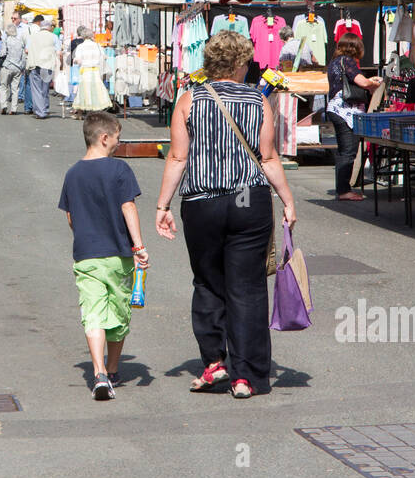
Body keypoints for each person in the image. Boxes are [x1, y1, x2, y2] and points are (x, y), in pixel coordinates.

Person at [154, 31, 297, 399]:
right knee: (247, 288)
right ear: (239, 63)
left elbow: (177, 157)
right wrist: (288, 200)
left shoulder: (189, 100)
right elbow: (267, 158)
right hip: (248, 199)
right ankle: (245, 376)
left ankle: (215, 362)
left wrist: (162, 206)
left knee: (208, 281)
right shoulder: (257, 101)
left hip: (202, 201)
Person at [58, 112, 149, 400]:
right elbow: (128, 208)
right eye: (117, 139)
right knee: (119, 313)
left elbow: (71, 217)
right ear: (104, 137)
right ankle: (111, 369)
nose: (118, 145)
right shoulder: (119, 169)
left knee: (93, 312)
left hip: (86, 255)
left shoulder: (72, 174)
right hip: (118, 255)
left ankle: (98, 373)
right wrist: (138, 246)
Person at [325, 32, 384, 201]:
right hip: (344, 110)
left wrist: (368, 80)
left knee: (345, 150)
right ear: (354, 47)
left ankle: (343, 188)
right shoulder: (347, 61)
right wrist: (374, 82)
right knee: (348, 151)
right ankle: (343, 190)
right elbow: (363, 83)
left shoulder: (335, 62)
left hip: (336, 109)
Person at [71, 29, 113, 116]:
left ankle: (80, 113)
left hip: (85, 71)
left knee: (84, 90)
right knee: (97, 90)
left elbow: (77, 60)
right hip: (96, 71)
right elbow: (104, 57)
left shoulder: (80, 47)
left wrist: (76, 61)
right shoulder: (97, 45)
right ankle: (97, 111)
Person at [26, 18, 61, 119]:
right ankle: (44, 109)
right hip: (47, 65)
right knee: (44, 89)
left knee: (36, 89)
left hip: (34, 64)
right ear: (49, 27)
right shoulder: (54, 37)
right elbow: (58, 52)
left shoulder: (32, 36)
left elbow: (27, 50)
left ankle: (40, 111)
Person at [0, 23, 27, 115]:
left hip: (7, 65)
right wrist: (22, 67)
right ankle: (14, 109)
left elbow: (2, 53)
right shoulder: (20, 42)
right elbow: (23, 56)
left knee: (3, 86)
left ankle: (4, 105)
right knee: (15, 89)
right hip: (17, 67)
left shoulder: (6, 40)